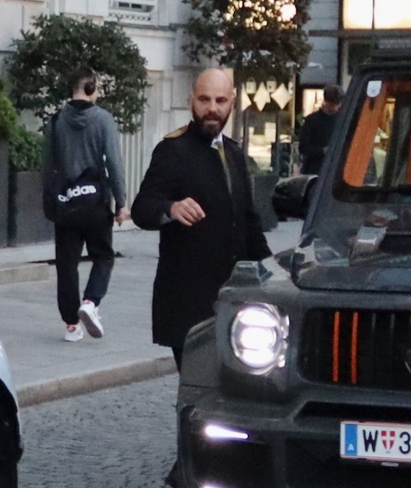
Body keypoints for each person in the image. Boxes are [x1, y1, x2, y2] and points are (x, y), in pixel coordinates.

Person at [129, 66, 267, 368]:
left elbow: (249, 222)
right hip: (189, 306)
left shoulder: (234, 153)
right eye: (204, 100)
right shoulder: (173, 150)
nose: (212, 109)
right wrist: (171, 208)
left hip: (235, 304)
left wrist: (272, 272)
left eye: (220, 100)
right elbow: (142, 208)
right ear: (192, 100)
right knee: (199, 395)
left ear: (232, 102)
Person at [43, 70, 124, 342]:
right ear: (91, 88)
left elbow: (47, 165)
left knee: (66, 264)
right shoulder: (103, 120)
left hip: (66, 204)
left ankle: (71, 326)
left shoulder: (55, 121)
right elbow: (113, 162)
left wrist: (50, 202)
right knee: (103, 255)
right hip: (96, 202)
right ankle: (90, 302)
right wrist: (121, 202)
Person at [295, 97, 338, 176]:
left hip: (329, 169)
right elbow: (303, 147)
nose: (335, 107)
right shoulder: (312, 120)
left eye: (337, 104)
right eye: (332, 104)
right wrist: (322, 151)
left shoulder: (339, 120)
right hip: (315, 169)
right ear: (326, 102)